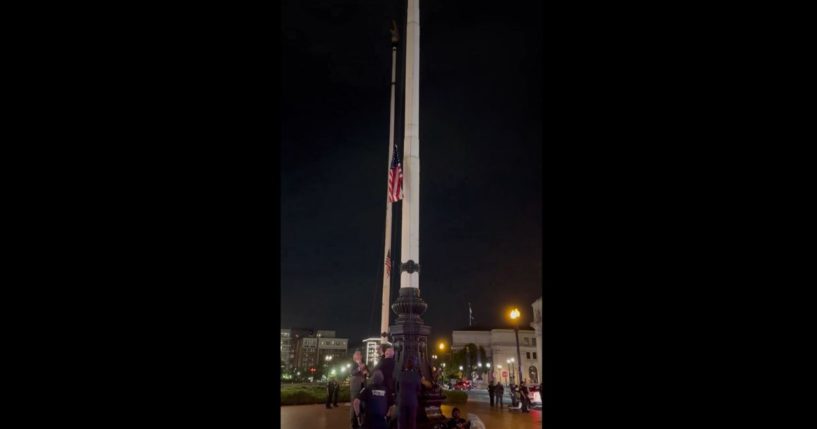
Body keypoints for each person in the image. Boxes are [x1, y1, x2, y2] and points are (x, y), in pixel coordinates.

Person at [374, 344, 396, 425]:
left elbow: (374, 372)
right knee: (390, 405)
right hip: (391, 387)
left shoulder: (383, 362)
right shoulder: (395, 362)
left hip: (383, 387)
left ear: (386, 353)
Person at [397, 357, 421, 429]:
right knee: (412, 422)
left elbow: (397, 387)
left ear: (405, 366)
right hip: (412, 402)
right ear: (413, 366)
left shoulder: (401, 375)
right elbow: (419, 389)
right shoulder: (416, 376)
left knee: (402, 422)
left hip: (402, 401)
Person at [350, 351, 369, 427]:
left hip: (363, 386)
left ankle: (361, 421)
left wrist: (366, 372)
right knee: (354, 403)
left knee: (363, 404)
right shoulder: (353, 364)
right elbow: (352, 372)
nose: (359, 356)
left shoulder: (364, 364)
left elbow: (368, 373)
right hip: (355, 387)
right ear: (354, 357)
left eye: (360, 355)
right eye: (357, 355)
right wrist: (358, 368)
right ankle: (353, 423)